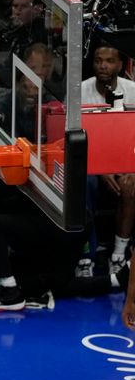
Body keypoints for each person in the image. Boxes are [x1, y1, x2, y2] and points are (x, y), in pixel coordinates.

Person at [81, 45, 135, 273]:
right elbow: (74, 139)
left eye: (109, 61)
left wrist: (130, 168)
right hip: (90, 163)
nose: (103, 65)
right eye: (98, 60)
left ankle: (119, 253)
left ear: (120, 65)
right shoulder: (80, 91)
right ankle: (86, 255)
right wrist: (100, 169)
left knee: (131, 183)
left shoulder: (133, 90)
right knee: (83, 183)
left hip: (125, 159)